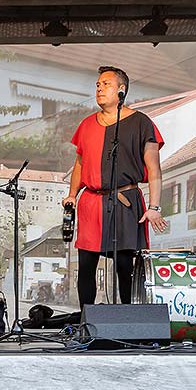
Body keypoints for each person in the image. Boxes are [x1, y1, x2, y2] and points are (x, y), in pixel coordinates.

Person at [63, 65, 166, 306]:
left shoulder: (141, 122)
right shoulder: (87, 124)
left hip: (125, 201)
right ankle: (85, 321)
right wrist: (71, 194)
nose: (99, 88)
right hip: (91, 202)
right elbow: (79, 164)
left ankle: (128, 319)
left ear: (122, 90)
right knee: (86, 265)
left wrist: (155, 207)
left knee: (124, 265)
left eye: (106, 84)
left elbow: (154, 168)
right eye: (97, 84)